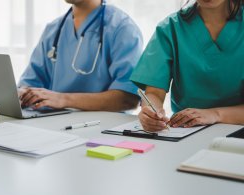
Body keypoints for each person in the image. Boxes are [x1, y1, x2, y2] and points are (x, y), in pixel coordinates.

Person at [130, 0, 244, 132]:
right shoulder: (171, 28)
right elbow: (154, 93)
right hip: (185, 131)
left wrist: (215, 114)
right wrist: (150, 112)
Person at [18, 0, 143, 112]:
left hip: (103, 128)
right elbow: (30, 83)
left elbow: (128, 99)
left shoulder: (122, 28)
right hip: (52, 124)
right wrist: (23, 94)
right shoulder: (53, 29)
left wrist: (63, 99)